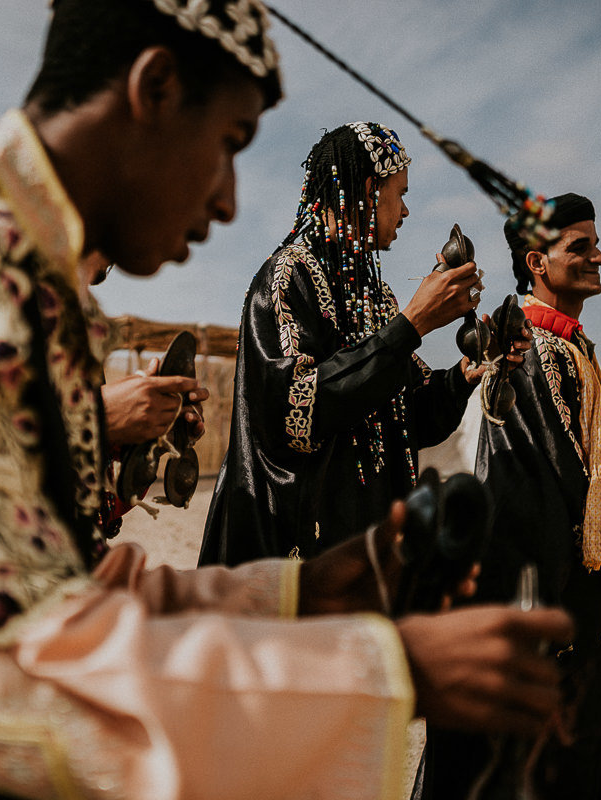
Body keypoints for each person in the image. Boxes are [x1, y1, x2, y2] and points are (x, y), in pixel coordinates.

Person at [0, 2, 572, 798]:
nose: (227, 200)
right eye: (229, 146)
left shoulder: (22, 283)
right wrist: (384, 671)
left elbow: (50, 587)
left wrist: (307, 590)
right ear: (154, 88)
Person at [413, 193, 601, 800]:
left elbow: (600, 466)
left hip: (573, 585)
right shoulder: (522, 344)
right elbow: (555, 475)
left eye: (594, 243)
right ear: (537, 262)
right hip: (538, 587)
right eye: (579, 247)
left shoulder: (570, 346)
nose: (599, 256)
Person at [200, 121, 517, 567]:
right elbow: (297, 412)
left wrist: (468, 371)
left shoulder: (375, 297)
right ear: (370, 189)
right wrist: (412, 324)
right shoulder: (288, 277)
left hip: (369, 544)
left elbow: (415, 417)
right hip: (296, 552)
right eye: (401, 193)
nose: (405, 210)